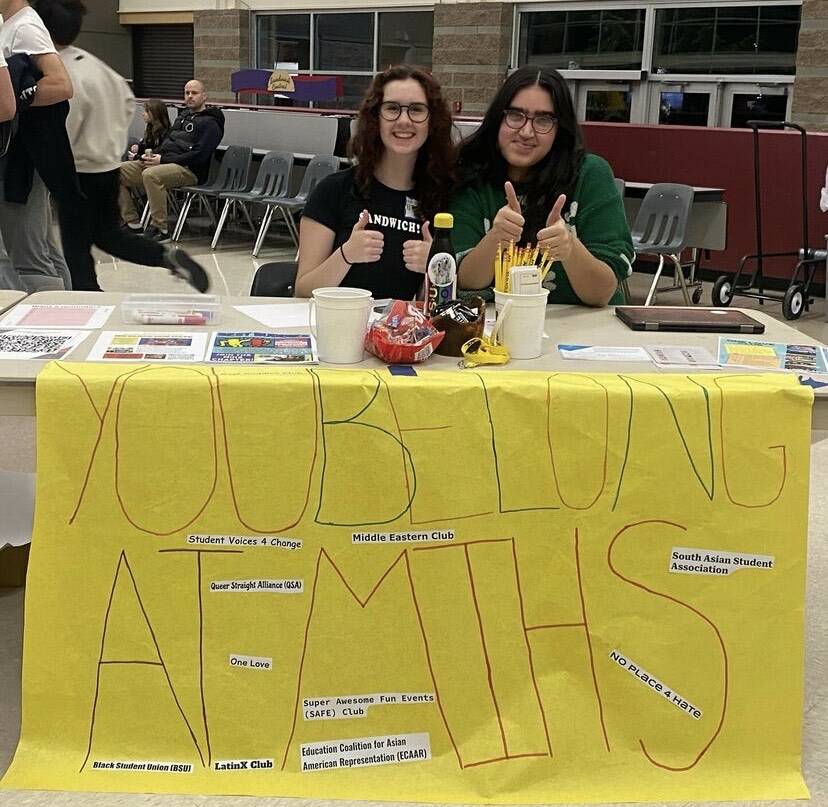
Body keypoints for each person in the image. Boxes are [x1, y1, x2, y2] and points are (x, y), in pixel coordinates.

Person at [35, 0, 208, 292]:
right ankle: (165, 256)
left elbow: (65, 127)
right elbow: (128, 103)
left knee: (76, 246)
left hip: (79, 171)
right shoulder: (96, 66)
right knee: (105, 235)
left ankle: (87, 298)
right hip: (106, 166)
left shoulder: (62, 74)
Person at [452, 66, 633, 307]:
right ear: (498, 118)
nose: (526, 131)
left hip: (585, 332)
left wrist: (570, 248)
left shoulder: (590, 174)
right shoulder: (470, 175)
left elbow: (601, 294)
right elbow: (465, 281)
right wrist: (495, 238)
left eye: (543, 120)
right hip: (496, 329)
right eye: (516, 115)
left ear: (560, 129)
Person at [295, 64, 455, 300]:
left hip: (400, 333)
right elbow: (302, 291)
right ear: (375, 117)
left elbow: (434, 309)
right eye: (392, 108)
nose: (404, 120)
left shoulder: (441, 200)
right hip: (338, 328)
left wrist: (433, 271)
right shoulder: (334, 190)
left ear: (432, 122)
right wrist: (346, 255)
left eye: (417, 110)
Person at [0, 0, 74, 291]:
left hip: (22, 158)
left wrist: (11, 103)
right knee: (43, 250)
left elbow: (61, 85)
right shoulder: (11, 24)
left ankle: (53, 325)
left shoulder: (25, 27)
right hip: (22, 154)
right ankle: (71, 314)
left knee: (29, 256)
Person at [118, 79, 224, 242]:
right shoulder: (182, 117)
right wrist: (150, 156)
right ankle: (132, 221)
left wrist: (163, 160)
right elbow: (168, 144)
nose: (189, 96)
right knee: (115, 171)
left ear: (204, 97)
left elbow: (199, 155)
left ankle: (160, 228)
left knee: (151, 175)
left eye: (194, 93)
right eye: (186, 93)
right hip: (165, 162)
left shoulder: (211, 123)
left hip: (189, 170)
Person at [126, 98, 170, 164]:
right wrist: (138, 146)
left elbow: (154, 153)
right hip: (143, 157)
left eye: (147, 111)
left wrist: (136, 157)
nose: (143, 114)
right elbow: (144, 145)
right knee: (130, 141)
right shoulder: (150, 128)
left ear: (155, 113)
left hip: (155, 162)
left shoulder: (165, 132)